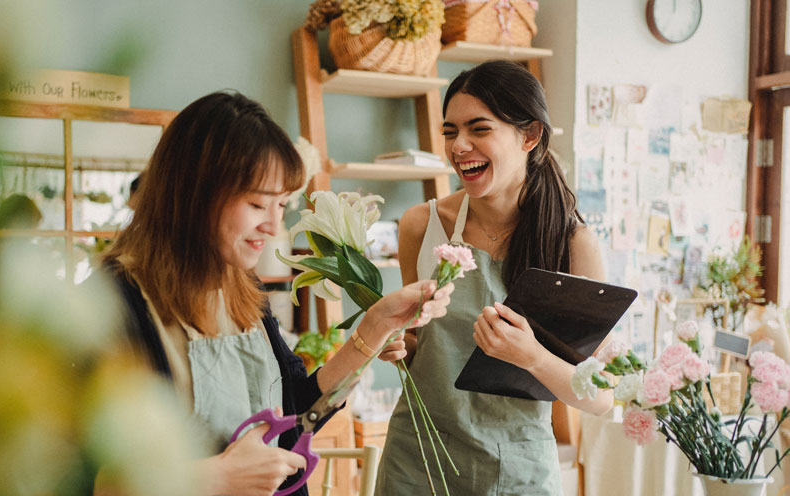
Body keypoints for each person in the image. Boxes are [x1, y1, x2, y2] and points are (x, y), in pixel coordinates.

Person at [98, 91, 454, 496]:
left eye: (282, 205)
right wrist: (216, 477)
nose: (272, 225)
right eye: (256, 204)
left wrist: (375, 328)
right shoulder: (114, 302)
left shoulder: (242, 287)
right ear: (193, 194)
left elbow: (297, 414)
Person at [375, 61, 614, 495]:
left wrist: (532, 357)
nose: (459, 146)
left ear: (530, 135)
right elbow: (421, 347)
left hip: (518, 471)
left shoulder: (573, 243)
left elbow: (599, 397)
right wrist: (393, 342)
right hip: (419, 461)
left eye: (479, 129)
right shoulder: (420, 226)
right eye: (450, 132)